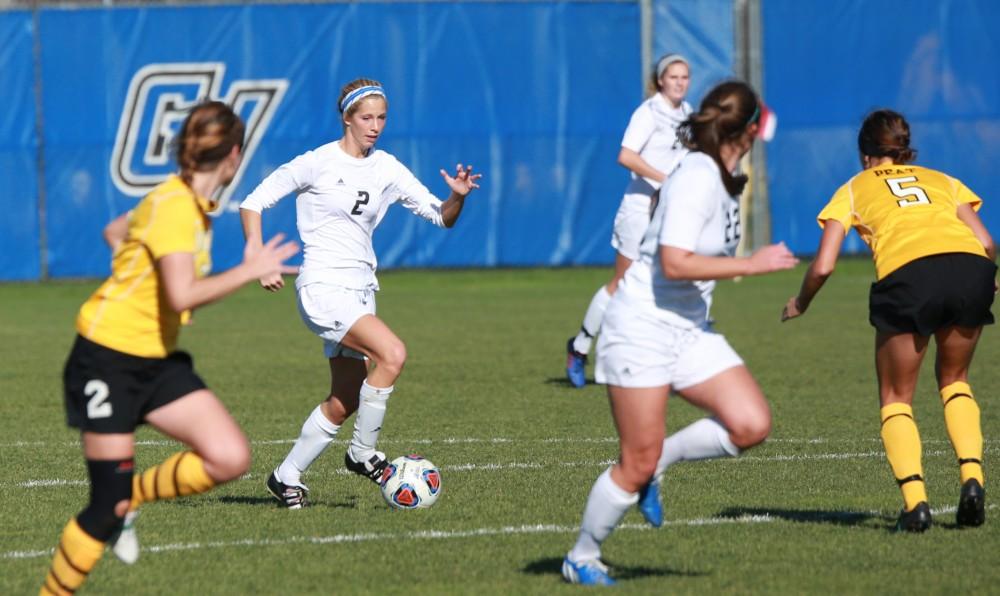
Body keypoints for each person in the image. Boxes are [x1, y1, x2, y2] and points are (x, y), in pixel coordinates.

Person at [40, 101, 299, 595]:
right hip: (105, 358)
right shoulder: (177, 208)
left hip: (155, 359)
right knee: (101, 509)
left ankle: (130, 500)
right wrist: (246, 269)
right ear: (233, 156)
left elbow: (115, 232)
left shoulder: (184, 202)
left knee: (228, 456)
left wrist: (143, 284)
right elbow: (181, 293)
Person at [562, 81, 797, 586]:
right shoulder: (697, 174)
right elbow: (673, 261)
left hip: (689, 328)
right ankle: (582, 555)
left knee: (751, 423)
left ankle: (660, 464)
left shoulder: (721, 171)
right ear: (750, 129)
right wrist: (752, 265)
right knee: (634, 460)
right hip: (641, 326)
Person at [240, 77, 481, 508]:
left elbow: (441, 217)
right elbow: (253, 202)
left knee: (345, 399)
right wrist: (258, 256)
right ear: (346, 118)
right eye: (366, 117)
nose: (375, 126)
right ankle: (363, 453)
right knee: (393, 354)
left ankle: (286, 476)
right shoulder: (316, 162)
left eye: (381, 117)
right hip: (322, 286)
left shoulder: (386, 167)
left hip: (361, 289)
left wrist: (457, 197)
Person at [782, 109, 995, 532]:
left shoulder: (854, 188)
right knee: (955, 381)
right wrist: (985, 279)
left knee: (897, 397)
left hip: (910, 275)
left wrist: (801, 302)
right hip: (970, 269)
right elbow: (986, 241)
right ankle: (973, 479)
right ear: (905, 149)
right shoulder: (943, 180)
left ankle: (916, 505)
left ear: (865, 155)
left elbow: (823, 266)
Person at [565, 53, 693, 387]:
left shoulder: (689, 114)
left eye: (685, 77)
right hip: (639, 208)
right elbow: (626, 155)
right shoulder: (649, 112)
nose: (680, 82)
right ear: (660, 80)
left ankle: (666, 361)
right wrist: (663, 178)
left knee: (671, 283)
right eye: (674, 76)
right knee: (623, 284)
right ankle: (580, 347)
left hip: (669, 211)